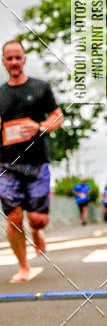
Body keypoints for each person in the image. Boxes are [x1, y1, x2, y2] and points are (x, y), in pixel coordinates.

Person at [0, 40, 63, 282]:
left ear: (24, 59)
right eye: (9, 58)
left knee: (38, 219)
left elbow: (58, 118)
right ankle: (23, 266)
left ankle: (37, 230)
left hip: (37, 162)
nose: (14, 62)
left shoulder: (41, 88)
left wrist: (39, 127)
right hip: (6, 164)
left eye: (18, 57)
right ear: (4, 62)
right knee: (14, 216)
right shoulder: (1, 93)